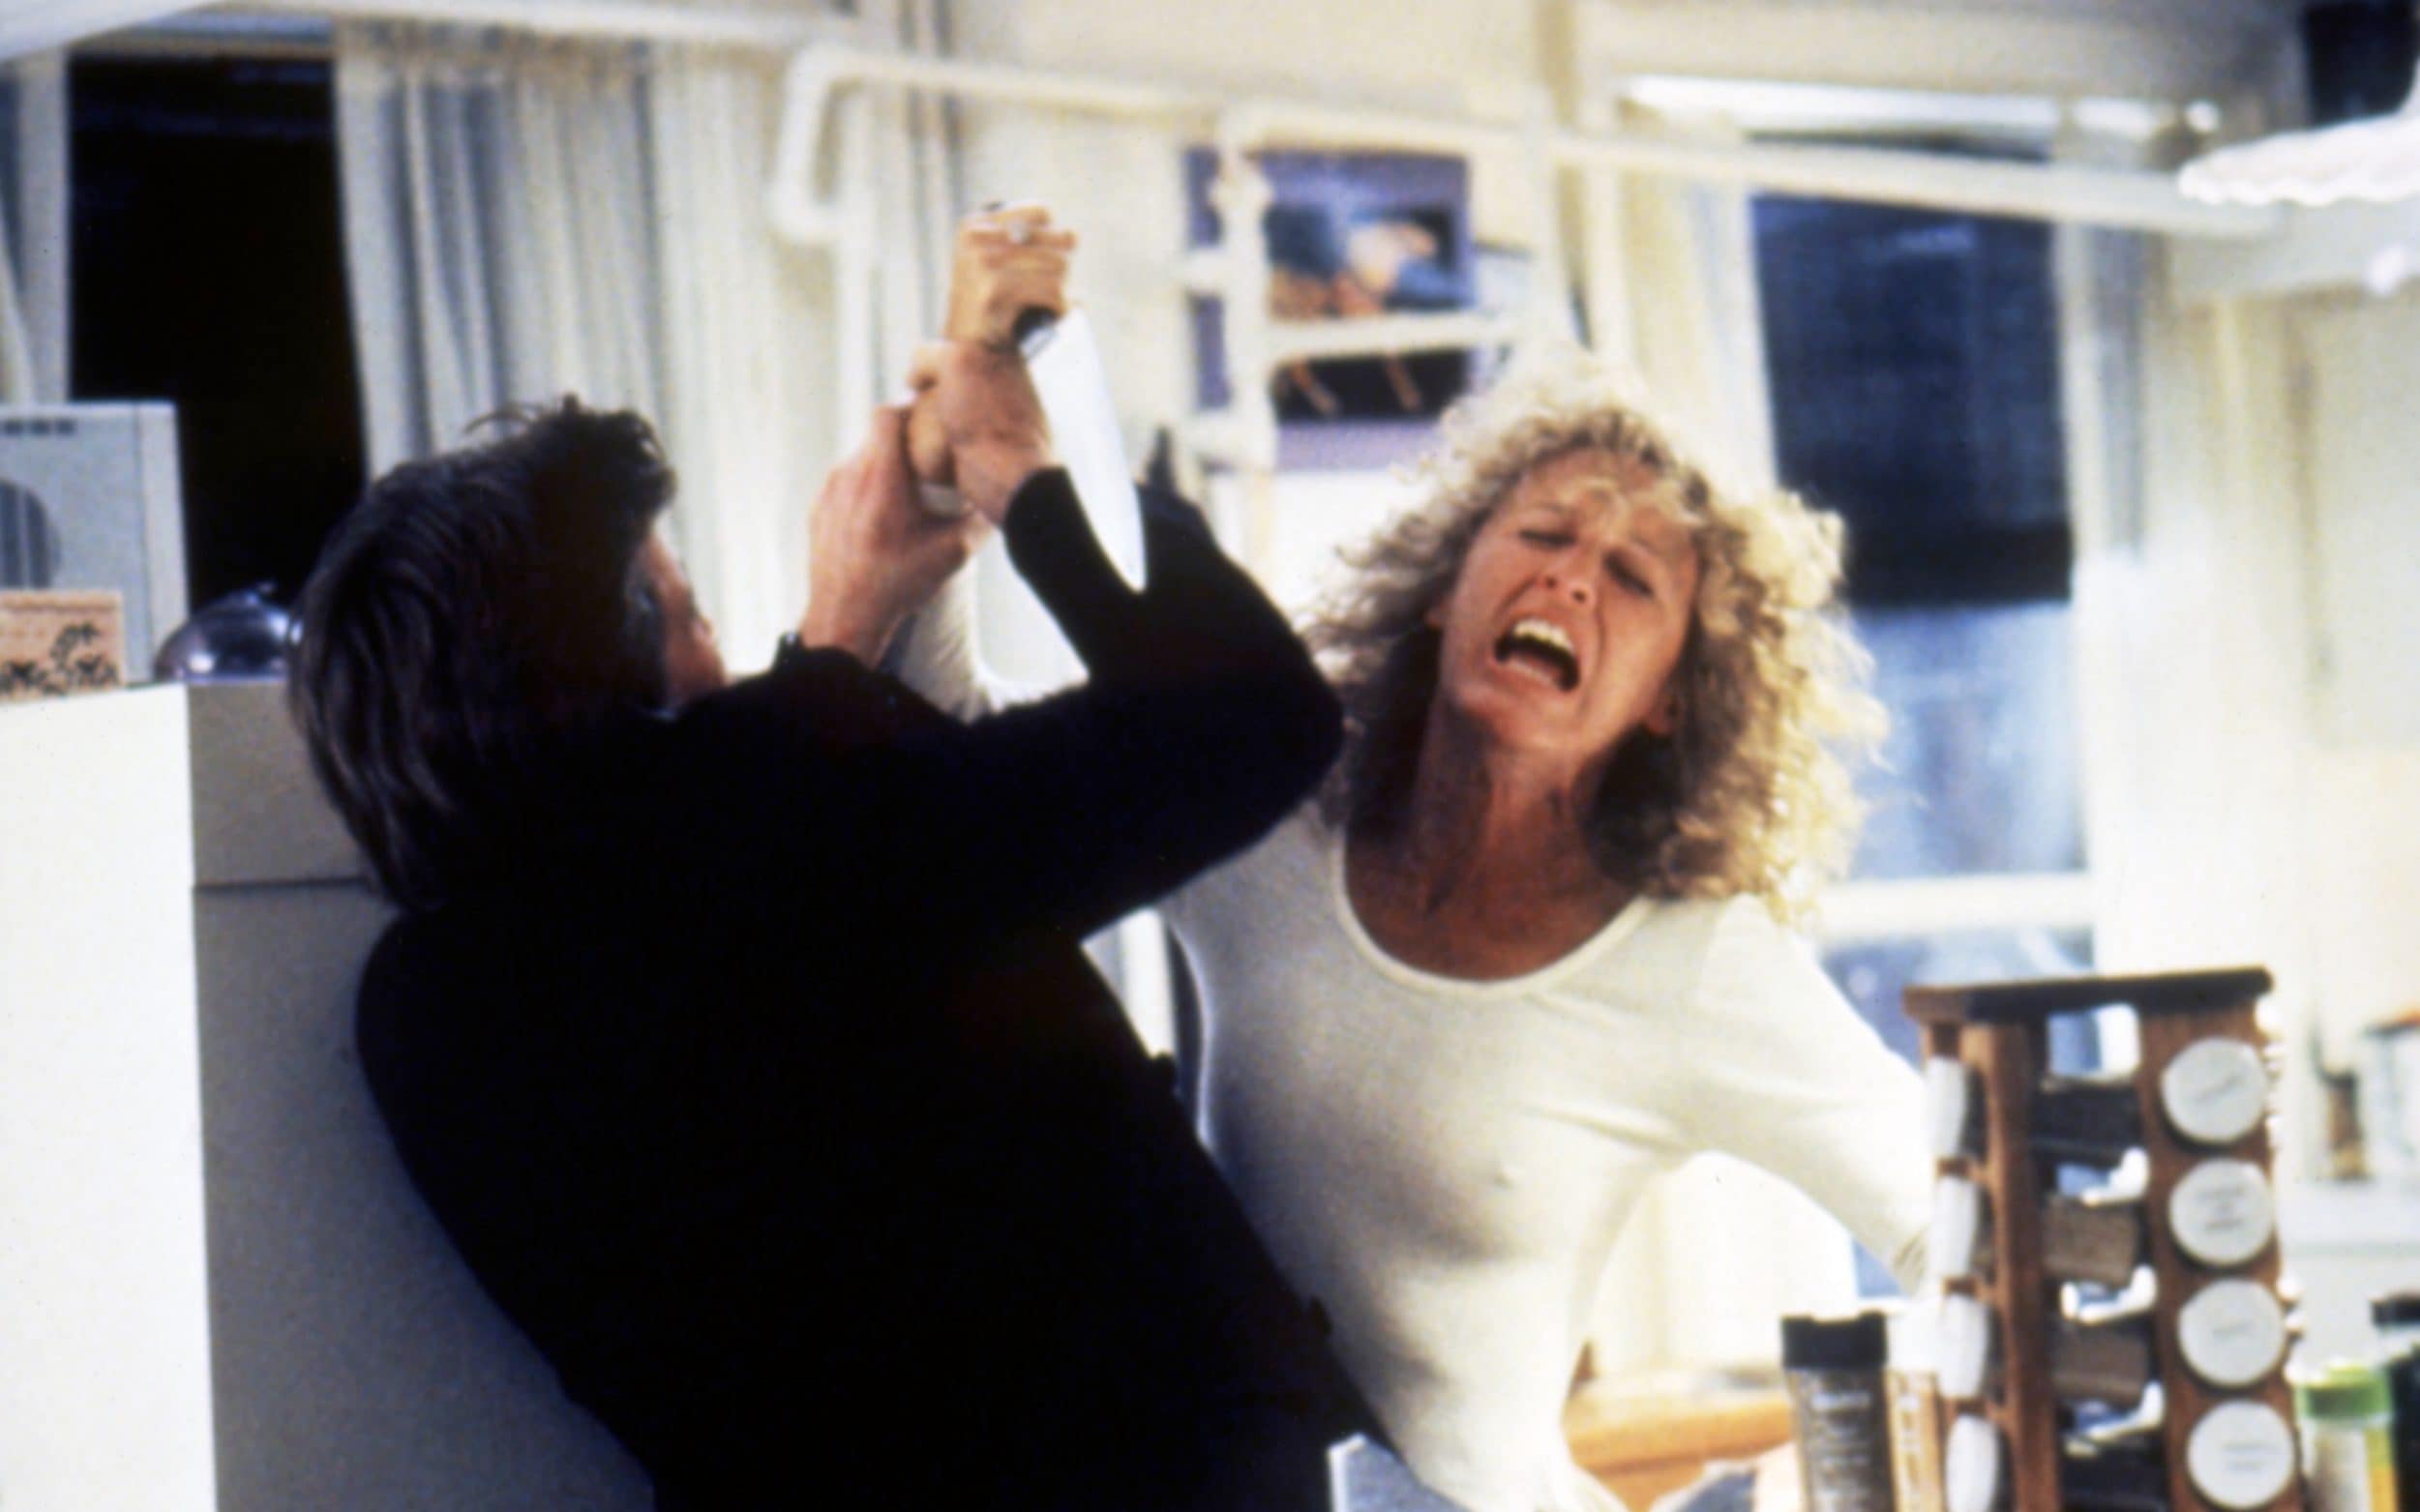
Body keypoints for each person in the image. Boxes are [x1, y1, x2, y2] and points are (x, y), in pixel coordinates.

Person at [288, 272, 1388, 1505]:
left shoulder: (417, 1013)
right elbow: (1251, 713)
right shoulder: (782, 840)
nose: (719, 658)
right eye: (691, 615)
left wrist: (831, 647)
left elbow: (711, 900)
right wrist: (1029, 474)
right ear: (610, 681)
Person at [886, 346, 1931, 1512]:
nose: (1571, 580)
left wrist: (1879, 1459)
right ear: (1444, 589)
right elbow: (952, 751)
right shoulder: (1271, 817)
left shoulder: (1693, 963)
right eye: (1542, 535)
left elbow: (1947, 1221)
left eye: (1631, 578)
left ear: (1668, 699)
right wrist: (936, 498)